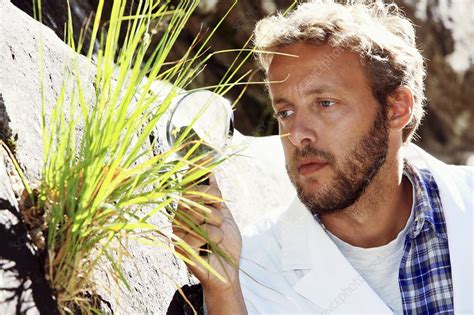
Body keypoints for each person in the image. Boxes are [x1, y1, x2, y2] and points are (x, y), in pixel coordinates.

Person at [172, 1, 473, 314]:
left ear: (397, 108)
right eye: (285, 112)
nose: (297, 133)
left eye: (325, 103)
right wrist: (224, 293)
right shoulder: (247, 273)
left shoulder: (466, 204)